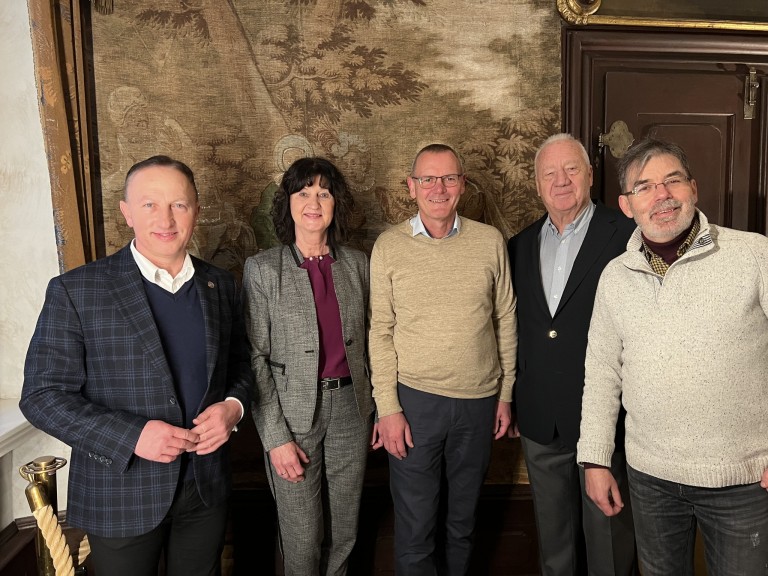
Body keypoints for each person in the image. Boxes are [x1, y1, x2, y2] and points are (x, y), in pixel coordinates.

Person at [20, 155, 253, 576]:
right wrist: (132, 437)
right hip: (121, 493)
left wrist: (232, 408)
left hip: (205, 487)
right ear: (126, 212)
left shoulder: (220, 285)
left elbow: (241, 366)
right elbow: (42, 396)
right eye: (150, 204)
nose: (166, 218)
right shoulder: (77, 290)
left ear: (196, 211)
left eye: (178, 204)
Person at [577, 137, 768, 575]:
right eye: (643, 187)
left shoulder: (754, 254)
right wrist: (595, 459)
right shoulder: (615, 277)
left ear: (693, 189)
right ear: (627, 205)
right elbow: (602, 372)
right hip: (651, 479)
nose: (661, 195)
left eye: (672, 180)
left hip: (742, 482)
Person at [368, 143, 517, 575]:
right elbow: (380, 331)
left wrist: (505, 393)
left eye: (449, 178)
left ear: (462, 185)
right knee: (415, 529)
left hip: (478, 403)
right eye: (428, 179)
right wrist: (388, 407)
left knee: (462, 524)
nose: (439, 188)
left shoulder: (489, 242)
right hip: (414, 404)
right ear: (411, 187)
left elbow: (506, 318)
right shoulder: (389, 246)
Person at [507, 133, 637, 575]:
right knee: (555, 546)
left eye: (571, 169)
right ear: (537, 184)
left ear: (590, 175)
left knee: (609, 543)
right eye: (550, 173)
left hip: (607, 418)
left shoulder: (627, 235)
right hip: (541, 420)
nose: (560, 181)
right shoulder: (520, 245)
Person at [242, 157, 374, 576]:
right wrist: (275, 438)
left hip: (352, 411)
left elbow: (374, 340)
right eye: (303, 193)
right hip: (292, 419)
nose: (313, 203)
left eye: (324, 193)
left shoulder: (358, 264)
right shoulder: (263, 269)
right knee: (302, 536)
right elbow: (254, 357)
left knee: (344, 530)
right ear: (288, 202)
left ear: (336, 203)